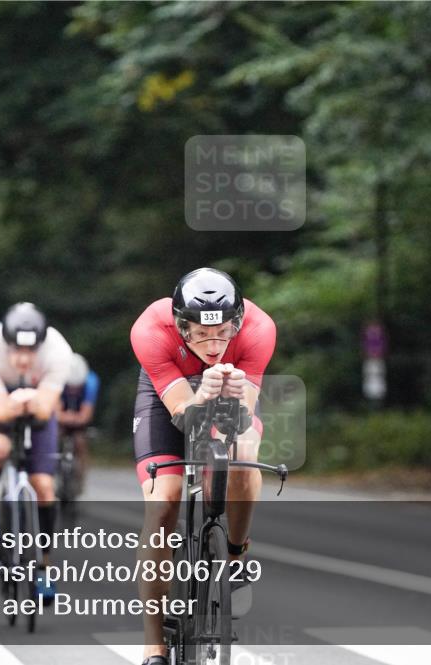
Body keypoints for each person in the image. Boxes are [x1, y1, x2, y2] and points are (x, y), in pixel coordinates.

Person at [130, 267, 276, 665]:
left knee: (244, 457)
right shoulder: (151, 329)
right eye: (199, 333)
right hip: (169, 401)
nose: (213, 344)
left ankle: (235, 555)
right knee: (163, 504)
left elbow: (241, 417)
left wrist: (229, 396)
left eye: (223, 332)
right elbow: (182, 413)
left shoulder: (259, 330)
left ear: (238, 323)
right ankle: (153, 640)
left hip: (231, 392)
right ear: (181, 326)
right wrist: (200, 396)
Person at [0, 302, 73, 602]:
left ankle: (44, 566)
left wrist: (34, 403)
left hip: (37, 400)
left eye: (31, 351)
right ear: (5, 343)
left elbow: (43, 414)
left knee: (44, 485)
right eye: (17, 350)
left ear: (41, 345)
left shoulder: (58, 350)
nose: (24, 359)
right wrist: (21, 401)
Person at [57, 353, 100, 492]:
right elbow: (55, 412)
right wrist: (64, 418)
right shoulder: (56, 379)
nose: (73, 390)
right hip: (63, 413)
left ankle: (80, 476)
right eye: (70, 387)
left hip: (78, 415)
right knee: (55, 436)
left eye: (77, 387)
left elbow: (86, 415)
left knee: (80, 442)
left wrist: (71, 418)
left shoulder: (91, 381)